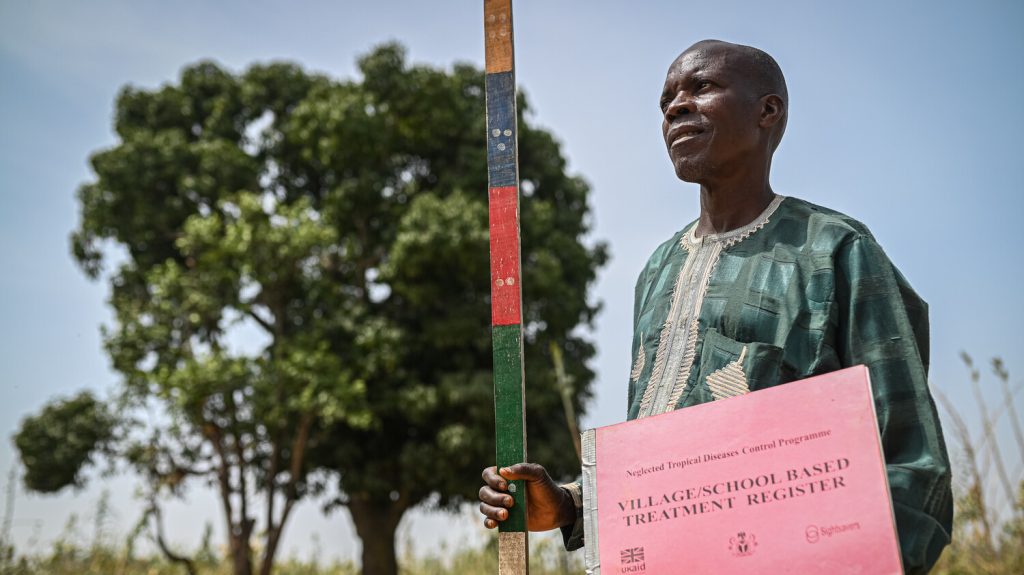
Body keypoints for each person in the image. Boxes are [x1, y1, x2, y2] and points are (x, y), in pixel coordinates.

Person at [478, 39, 952, 574]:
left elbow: (910, 463)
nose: (676, 108)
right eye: (666, 101)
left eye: (701, 87)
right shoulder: (658, 270)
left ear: (767, 111)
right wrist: (569, 505)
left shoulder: (834, 249)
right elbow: (670, 466)